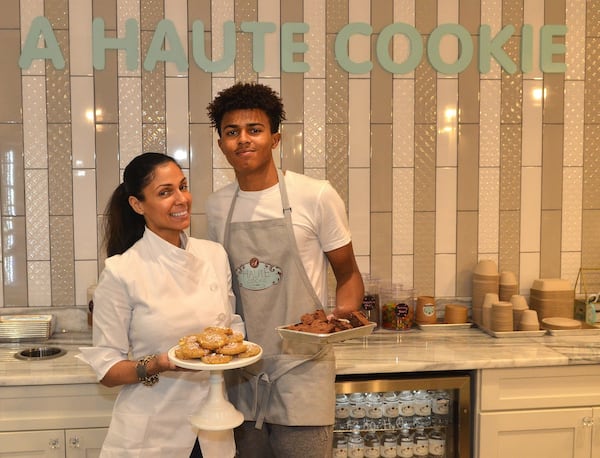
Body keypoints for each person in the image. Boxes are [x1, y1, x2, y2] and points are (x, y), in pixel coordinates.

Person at [205, 82, 364, 458]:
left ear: (275, 138)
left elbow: (349, 275)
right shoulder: (216, 207)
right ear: (221, 144)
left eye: (254, 130)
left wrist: (339, 319)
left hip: (304, 371)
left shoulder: (316, 195)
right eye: (232, 132)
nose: (243, 140)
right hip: (241, 372)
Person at [78, 152, 242, 458]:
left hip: (214, 432)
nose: (181, 199)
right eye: (165, 192)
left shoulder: (214, 255)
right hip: (153, 436)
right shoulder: (122, 271)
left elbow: (230, 330)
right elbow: (108, 370)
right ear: (137, 205)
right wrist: (158, 364)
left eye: (183, 186)